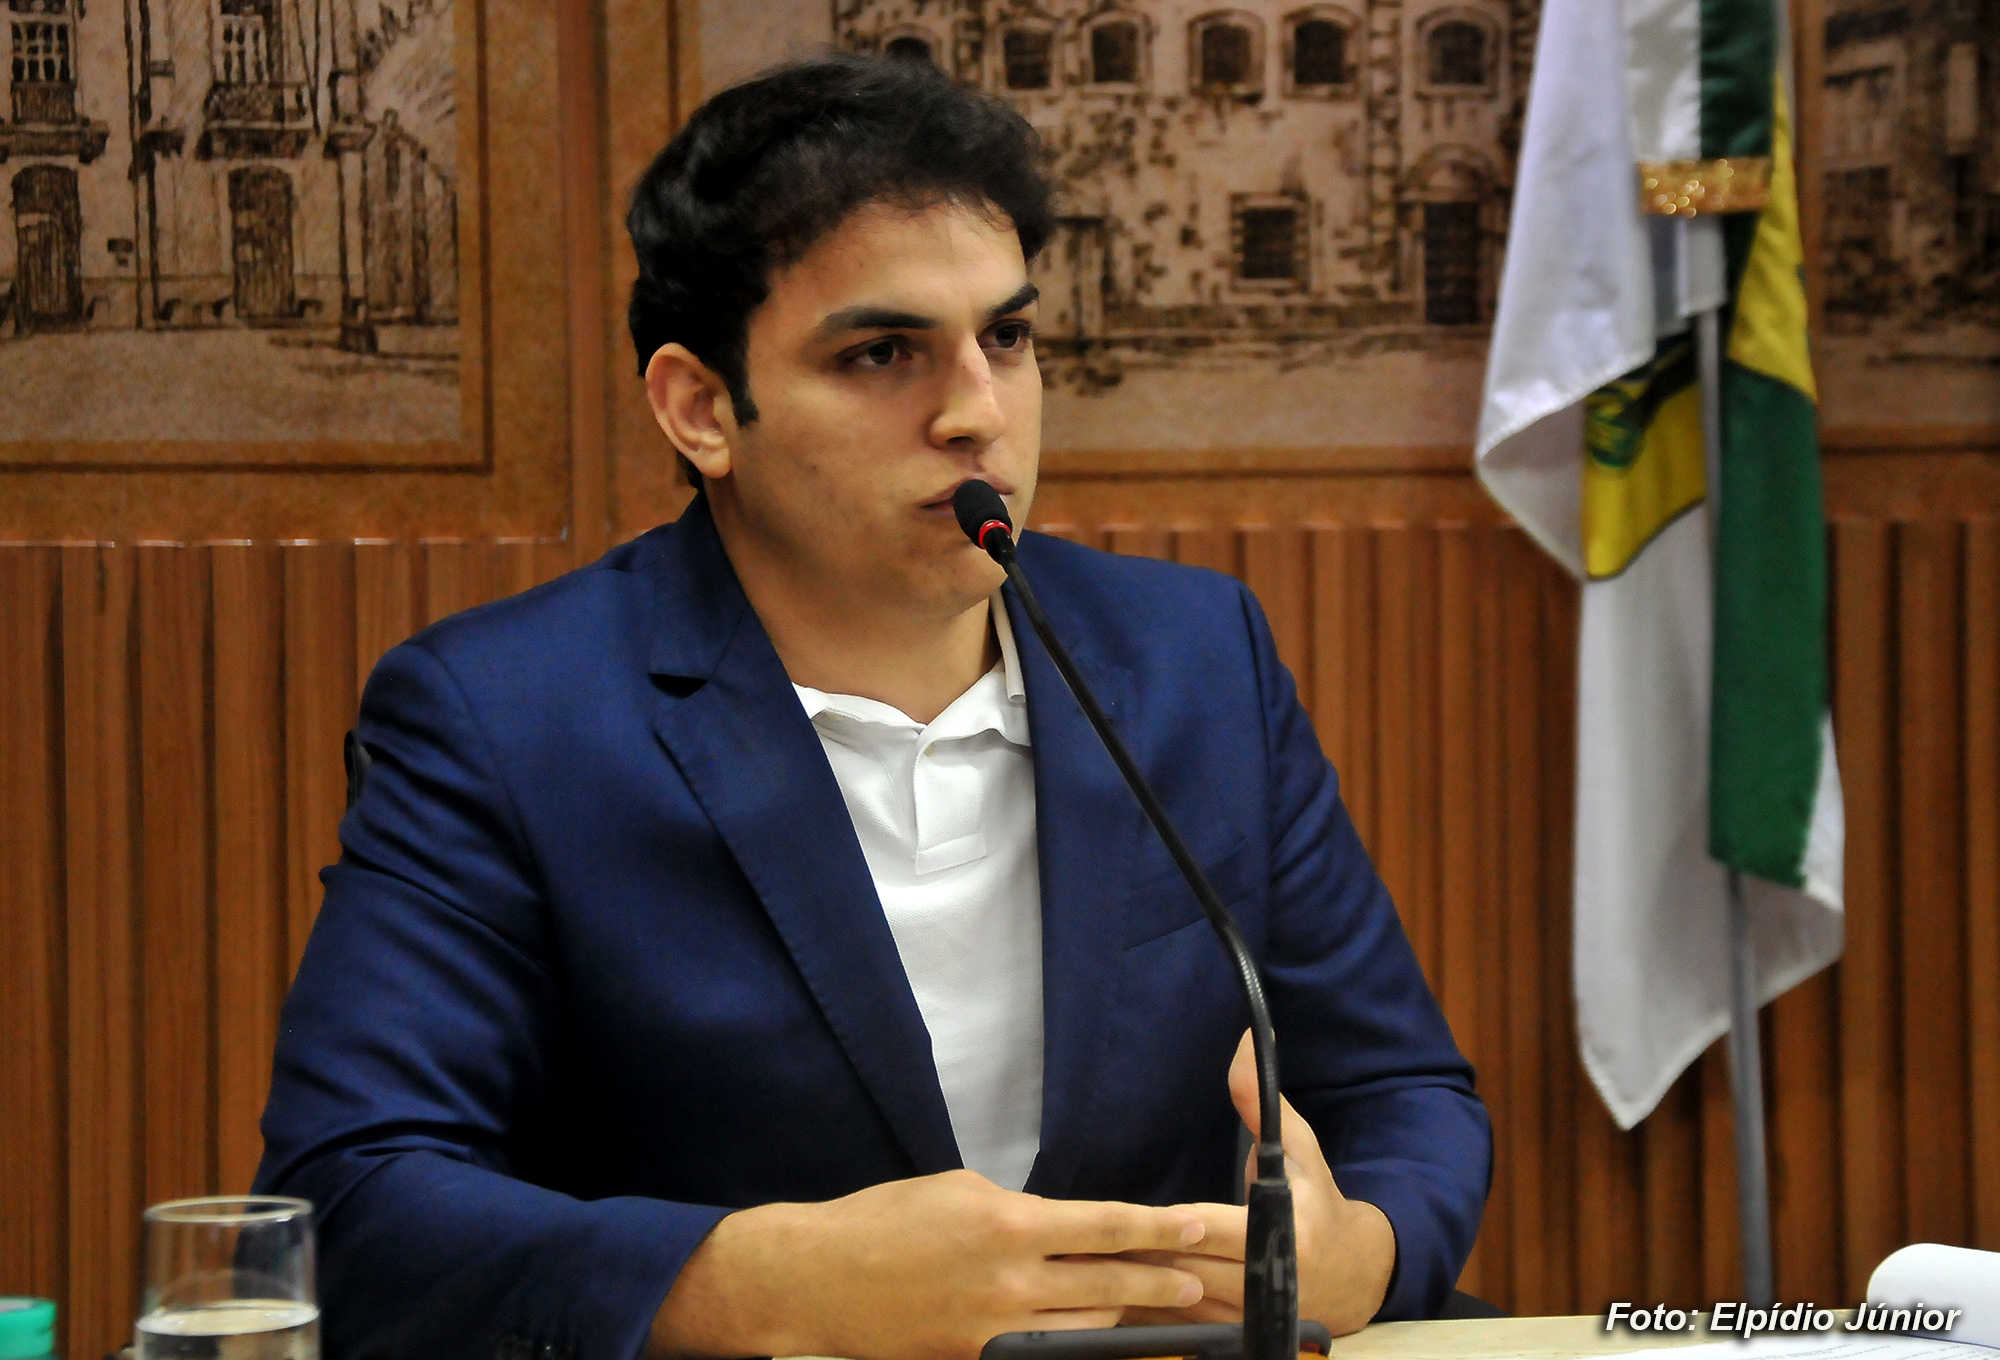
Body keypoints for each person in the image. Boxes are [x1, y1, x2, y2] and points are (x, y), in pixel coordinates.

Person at [254, 52, 1491, 1360]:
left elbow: (1399, 1089)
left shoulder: (1195, 658)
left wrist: (1364, 1251)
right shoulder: (504, 717)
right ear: (700, 409)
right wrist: (768, 1282)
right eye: (884, 352)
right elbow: (354, 1198)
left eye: (1006, 338)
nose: (976, 412)